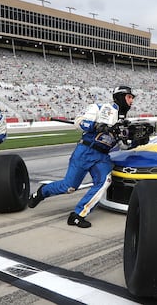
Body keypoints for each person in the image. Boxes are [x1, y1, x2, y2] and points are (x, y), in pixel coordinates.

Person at [28, 86, 137, 228]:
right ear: (121, 97)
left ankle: (78, 215)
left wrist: (134, 142)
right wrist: (96, 126)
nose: (132, 101)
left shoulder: (124, 121)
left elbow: (122, 146)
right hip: (86, 151)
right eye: (129, 97)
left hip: (102, 156)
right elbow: (79, 122)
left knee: (104, 182)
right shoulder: (100, 108)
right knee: (69, 187)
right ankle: (42, 191)